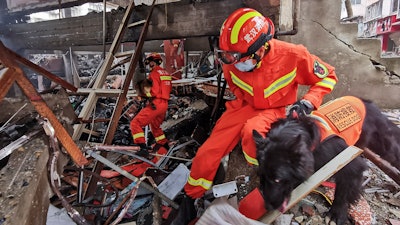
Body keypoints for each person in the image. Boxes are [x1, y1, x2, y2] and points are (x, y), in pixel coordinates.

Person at [184, 8, 338, 199]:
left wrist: (308, 102)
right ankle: (192, 195)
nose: (232, 61)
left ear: (261, 48)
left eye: (237, 56)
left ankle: (259, 173)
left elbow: (328, 76)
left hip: (274, 109)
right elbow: (235, 86)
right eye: (228, 55)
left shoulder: (294, 55)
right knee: (207, 152)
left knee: (252, 133)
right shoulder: (231, 61)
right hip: (243, 106)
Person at [130, 53, 172, 156]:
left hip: (156, 103)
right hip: (164, 104)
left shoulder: (154, 73)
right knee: (155, 126)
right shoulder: (165, 73)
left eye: (150, 62)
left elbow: (155, 91)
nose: (150, 64)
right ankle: (164, 145)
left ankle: (142, 147)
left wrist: (145, 94)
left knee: (135, 123)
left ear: (154, 62)